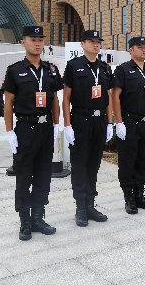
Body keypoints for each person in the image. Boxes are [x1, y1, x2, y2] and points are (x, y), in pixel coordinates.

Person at [3, 25, 63, 241]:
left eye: (40, 39)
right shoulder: (14, 70)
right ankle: (25, 222)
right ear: (23, 42)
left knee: (43, 175)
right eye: (32, 39)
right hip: (25, 130)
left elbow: (54, 99)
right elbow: (8, 104)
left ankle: (38, 218)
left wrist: (56, 125)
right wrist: (10, 132)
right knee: (24, 176)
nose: (37, 43)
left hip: (46, 128)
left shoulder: (51, 69)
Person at [62, 30, 113, 227]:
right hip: (80, 120)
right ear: (82, 44)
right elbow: (66, 98)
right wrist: (67, 125)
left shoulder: (104, 67)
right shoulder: (74, 65)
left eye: (98, 41)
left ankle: (90, 205)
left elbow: (108, 97)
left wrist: (110, 123)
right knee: (80, 164)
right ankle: (80, 207)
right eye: (91, 41)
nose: (96, 44)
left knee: (93, 164)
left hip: (100, 121)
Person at [111, 36, 145, 214]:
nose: (144, 49)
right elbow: (115, 96)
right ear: (131, 50)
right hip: (129, 122)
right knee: (127, 161)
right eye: (139, 47)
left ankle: (140, 195)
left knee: (142, 160)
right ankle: (129, 198)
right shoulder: (123, 70)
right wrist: (119, 123)